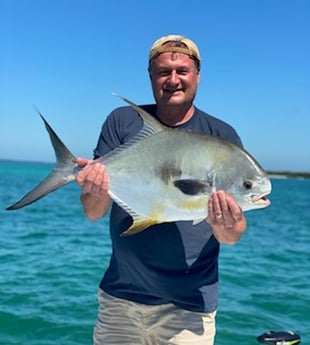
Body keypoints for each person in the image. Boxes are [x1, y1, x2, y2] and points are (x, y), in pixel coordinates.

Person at [76, 34, 247, 345]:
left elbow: (232, 235)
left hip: (189, 308)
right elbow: (93, 211)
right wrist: (95, 188)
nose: (173, 80)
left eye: (182, 71)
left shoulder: (222, 137)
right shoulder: (123, 121)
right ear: (151, 76)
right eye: (163, 71)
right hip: (120, 300)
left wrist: (228, 220)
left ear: (197, 75)